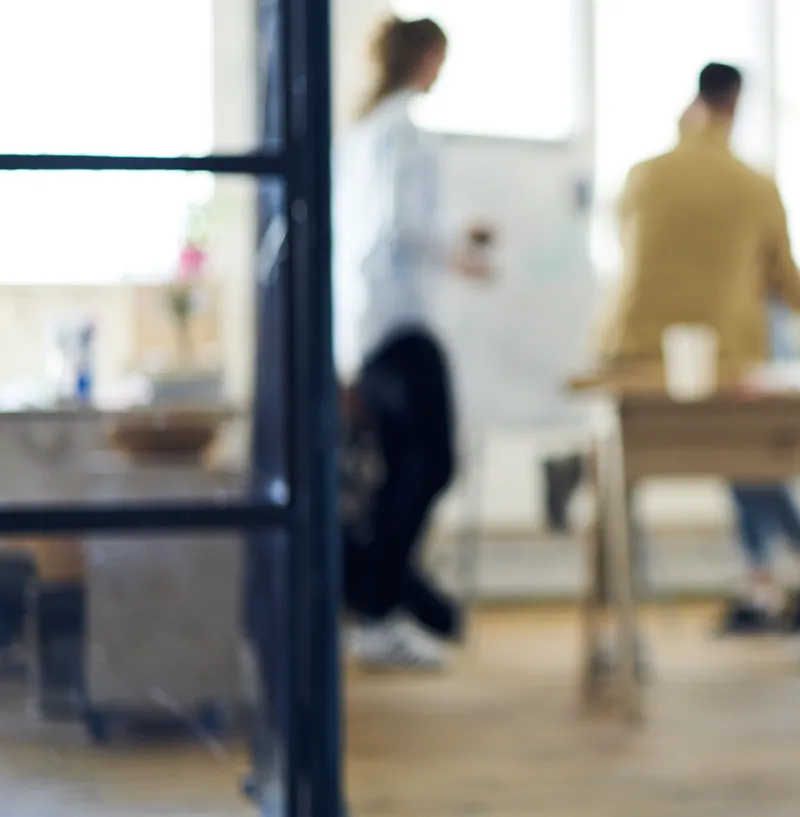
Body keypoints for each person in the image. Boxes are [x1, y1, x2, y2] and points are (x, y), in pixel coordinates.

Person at [334, 16, 491, 671]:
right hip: (399, 324)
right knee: (429, 465)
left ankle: (385, 601)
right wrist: (459, 252)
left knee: (407, 468)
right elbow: (401, 225)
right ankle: (377, 607)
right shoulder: (400, 132)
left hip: (371, 325)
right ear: (425, 57)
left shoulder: (365, 132)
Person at [598, 62, 800, 372]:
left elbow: (627, 245)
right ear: (736, 103)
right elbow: (790, 287)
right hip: (721, 354)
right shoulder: (756, 186)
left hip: (633, 349)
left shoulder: (643, 176)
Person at [720, 300, 800, 635]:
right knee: (745, 473)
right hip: (735, 355)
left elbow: (798, 292)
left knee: (763, 471)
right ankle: (770, 582)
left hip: (763, 359)